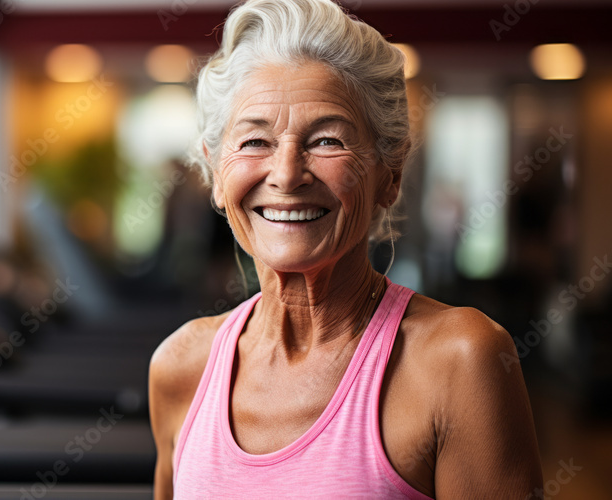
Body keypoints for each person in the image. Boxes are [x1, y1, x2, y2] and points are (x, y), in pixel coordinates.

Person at [147, 0, 543, 498]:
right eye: (254, 142)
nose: (287, 174)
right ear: (214, 174)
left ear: (389, 176)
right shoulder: (180, 365)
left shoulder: (461, 360)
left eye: (327, 140)